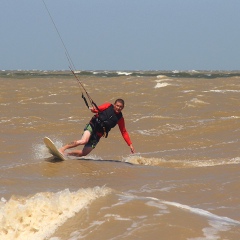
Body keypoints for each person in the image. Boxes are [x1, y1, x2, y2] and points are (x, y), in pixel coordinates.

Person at [59, 99, 135, 157]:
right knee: (84, 141)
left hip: (98, 134)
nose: (118, 108)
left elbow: (124, 132)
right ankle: (62, 149)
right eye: (117, 105)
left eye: (120, 107)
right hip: (93, 125)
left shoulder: (120, 119)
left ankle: (66, 154)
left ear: (123, 108)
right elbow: (98, 109)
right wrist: (93, 109)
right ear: (114, 104)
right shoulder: (108, 106)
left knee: (84, 153)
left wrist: (130, 145)